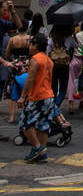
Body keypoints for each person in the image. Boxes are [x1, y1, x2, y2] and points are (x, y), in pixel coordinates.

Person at [16, 33, 55, 163]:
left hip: (38, 96)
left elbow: (31, 78)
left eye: (31, 44)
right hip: (49, 96)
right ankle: (42, 153)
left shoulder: (35, 59)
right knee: (43, 125)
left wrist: (22, 96)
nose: (29, 47)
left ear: (36, 45)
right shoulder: (48, 60)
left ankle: (37, 148)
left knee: (25, 123)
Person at [4, 24, 32, 125]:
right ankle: (27, 114)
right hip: (27, 65)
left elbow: (7, 54)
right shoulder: (30, 39)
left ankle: (11, 117)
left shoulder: (12, 39)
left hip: (15, 66)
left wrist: (14, 61)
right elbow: (33, 52)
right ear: (27, 28)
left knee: (12, 91)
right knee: (27, 90)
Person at [47, 24, 71, 111]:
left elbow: (48, 53)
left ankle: (53, 107)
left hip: (53, 65)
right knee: (63, 88)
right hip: (64, 65)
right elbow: (76, 45)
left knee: (53, 88)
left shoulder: (51, 39)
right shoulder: (67, 38)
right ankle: (56, 107)